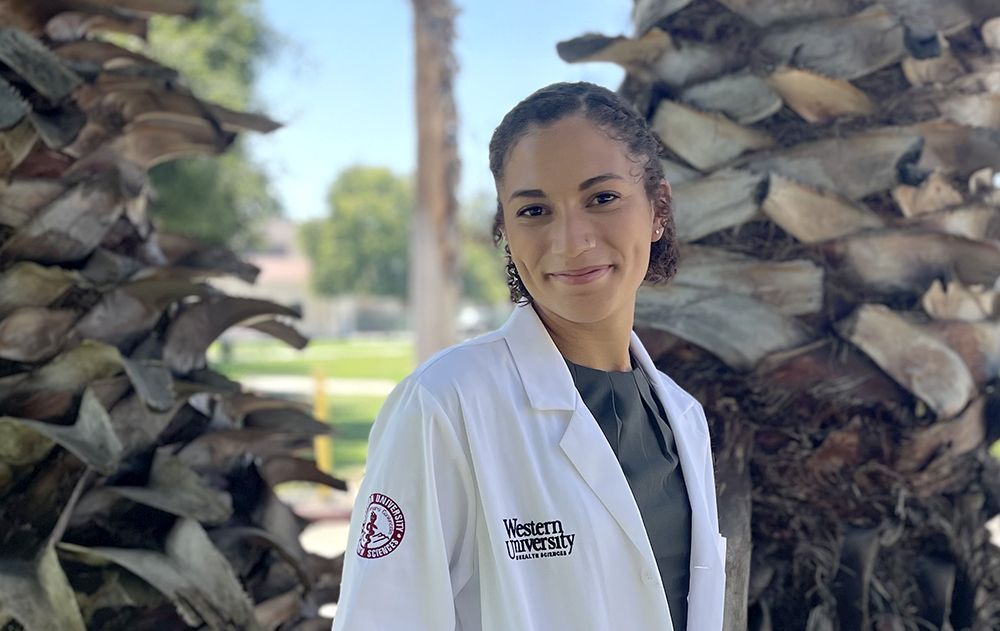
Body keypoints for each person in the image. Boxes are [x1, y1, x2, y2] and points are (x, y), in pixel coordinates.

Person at [332, 81, 725, 631]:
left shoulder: (684, 419)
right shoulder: (445, 405)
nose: (571, 239)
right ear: (506, 233)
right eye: (535, 209)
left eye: (602, 198)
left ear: (658, 209)